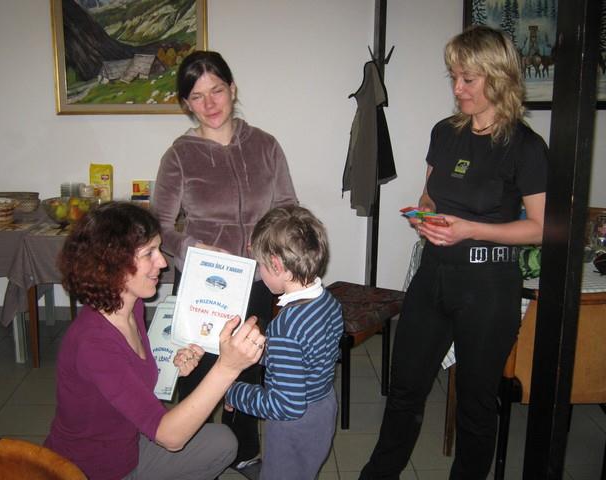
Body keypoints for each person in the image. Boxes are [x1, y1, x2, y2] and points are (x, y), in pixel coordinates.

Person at [359, 25, 548, 480]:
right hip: (433, 276)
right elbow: (429, 195)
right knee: (404, 389)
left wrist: (470, 229)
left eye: (468, 79)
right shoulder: (444, 133)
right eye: (454, 78)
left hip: (489, 288)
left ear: (498, 77)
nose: (457, 88)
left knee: (476, 404)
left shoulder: (526, 147)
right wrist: (426, 215)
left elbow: (541, 228)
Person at [151, 50, 298, 475]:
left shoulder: (265, 145)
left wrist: (271, 242)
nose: (210, 103)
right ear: (186, 104)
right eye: (197, 97)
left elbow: (288, 207)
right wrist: (193, 246)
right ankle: (191, 454)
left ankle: (244, 450)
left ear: (232, 89)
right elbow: (158, 226)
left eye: (217, 91)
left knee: (248, 368)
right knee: (197, 370)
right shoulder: (179, 155)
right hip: (202, 283)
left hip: (257, 281)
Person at [44, 202, 266, 480]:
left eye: (159, 249)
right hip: (96, 471)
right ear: (111, 263)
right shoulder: (94, 342)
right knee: (199, 437)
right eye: (149, 253)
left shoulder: (130, 307)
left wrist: (172, 366)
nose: (162, 262)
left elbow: (129, 379)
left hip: (129, 442)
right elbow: (170, 437)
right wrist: (227, 368)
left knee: (223, 441)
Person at [224, 205, 343, 480]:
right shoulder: (328, 302)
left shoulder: (286, 326)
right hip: (323, 407)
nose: (260, 272)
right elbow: (312, 353)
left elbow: (285, 405)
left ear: (277, 266)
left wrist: (234, 393)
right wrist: (263, 350)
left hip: (294, 427)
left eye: (261, 265)